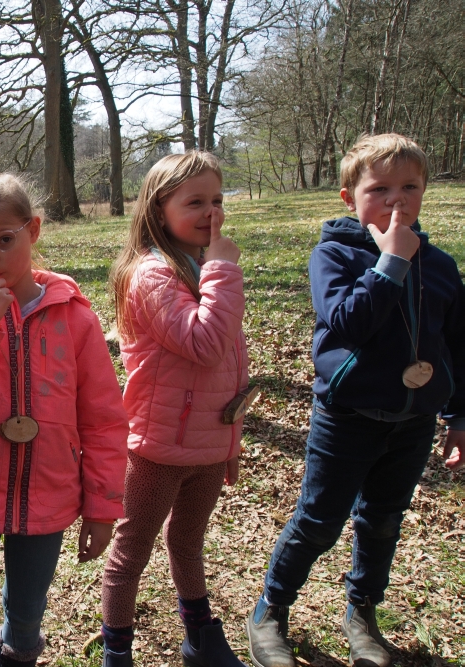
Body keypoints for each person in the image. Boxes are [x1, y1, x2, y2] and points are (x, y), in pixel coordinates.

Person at [246, 134, 465, 667]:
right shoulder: (334, 255)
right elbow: (348, 323)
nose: (397, 201)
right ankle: (270, 612)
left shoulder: (440, 265)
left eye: (410, 187)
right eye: (380, 189)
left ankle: (362, 613)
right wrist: (389, 264)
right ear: (349, 197)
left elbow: (456, 343)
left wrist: (458, 416)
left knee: (384, 519)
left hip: (412, 422)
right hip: (347, 418)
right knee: (319, 520)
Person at [0, 174, 129, 667]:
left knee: (28, 611)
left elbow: (102, 417)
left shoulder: (74, 317)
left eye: (4, 240)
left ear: (33, 230)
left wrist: (102, 506)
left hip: (49, 492)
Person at [97, 152, 251, 667]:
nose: (212, 212)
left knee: (187, 543)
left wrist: (230, 441)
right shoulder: (152, 274)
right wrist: (225, 270)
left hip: (206, 444)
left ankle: (200, 637)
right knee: (131, 551)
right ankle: (117, 649)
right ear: (160, 210)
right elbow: (204, 343)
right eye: (196, 202)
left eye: (217, 200)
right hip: (158, 447)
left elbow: (231, 365)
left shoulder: (203, 268)